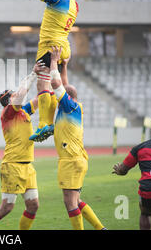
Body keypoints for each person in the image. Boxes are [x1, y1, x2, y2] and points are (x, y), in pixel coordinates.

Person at [0, 62, 44, 230]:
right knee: (6, 208)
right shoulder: (8, 113)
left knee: (33, 205)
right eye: (14, 95)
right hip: (12, 166)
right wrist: (33, 74)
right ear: (9, 100)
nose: (18, 96)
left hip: (27, 166)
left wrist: (48, 76)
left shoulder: (24, 111)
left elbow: (40, 99)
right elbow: (22, 94)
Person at [48, 47, 105, 230]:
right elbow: (64, 85)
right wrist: (64, 65)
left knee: (70, 203)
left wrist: (53, 61)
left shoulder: (67, 105)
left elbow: (57, 85)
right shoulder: (73, 106)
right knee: (77, 200)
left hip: (70, 161)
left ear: (67, 96)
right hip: (77, 159)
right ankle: (100, 228)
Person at [27, 0, 79, 141]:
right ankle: (47, 124)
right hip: (64, 47)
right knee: (53, 85)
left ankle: (44, 124)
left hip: (51, 45)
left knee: (42, 83)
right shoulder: (74, 3)